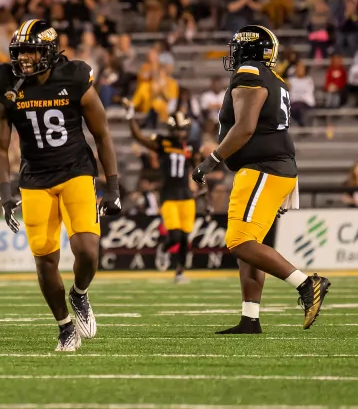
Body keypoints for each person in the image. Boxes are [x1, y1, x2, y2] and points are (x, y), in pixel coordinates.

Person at [0, 19, 121, 352]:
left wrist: (114, 186)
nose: (24, 58)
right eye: (20, 51)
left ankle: (79, 294)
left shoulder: (74, 77)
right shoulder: (6, 82)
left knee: (87, 251)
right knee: (45, 259)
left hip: (76, 170)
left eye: (32, 51)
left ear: (49, 52)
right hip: (35, 179)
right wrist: (5, 193)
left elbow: (102, 134)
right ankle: (64, 327)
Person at [192, 25, 330, 334]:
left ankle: (307, 284)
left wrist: (210, 161)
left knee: (239, 241)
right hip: (276, 168)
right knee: (251, 243)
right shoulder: (274, 79)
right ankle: (250, 318)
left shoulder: (249, 73)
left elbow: (245, 127)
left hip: (263, 169)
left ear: (248, 49)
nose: (233, 54)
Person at [126, 108, 197, 283]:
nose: (181, 133)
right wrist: (130, 116)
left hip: (186, 196)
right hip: (169, 195)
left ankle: (179, 272)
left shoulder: (190, 146)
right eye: (178, 130)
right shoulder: (163, 142)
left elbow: (198, 170)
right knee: (175, 236)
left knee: (185, 238)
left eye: (183, 130)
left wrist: (205, 194)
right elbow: (139, 137)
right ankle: (164, 248)